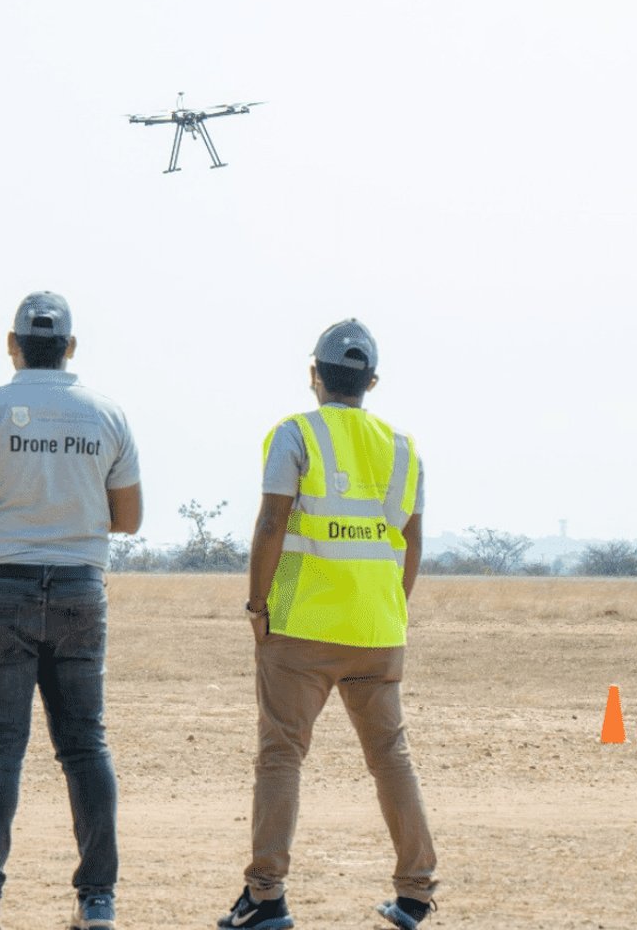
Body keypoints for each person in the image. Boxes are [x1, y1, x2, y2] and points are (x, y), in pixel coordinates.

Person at [0, 292, 141, 930]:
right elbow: (128, 519)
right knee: (85, 746)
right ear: (70, 346)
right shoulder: (107, 415)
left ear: (13, 344)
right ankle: (96, 901)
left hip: (0, 590)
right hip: (80, 589)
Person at [217, 319, 439, 930]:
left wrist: (257, 606)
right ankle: (416, 892)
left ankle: (266, 897)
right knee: (391, 757)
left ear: (314, 375)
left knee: (281, 757)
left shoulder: (294, 434)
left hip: (301, 628)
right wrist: (393, 607)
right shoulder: (403, 447)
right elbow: (412, 542)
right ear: (371, 381)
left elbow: (271, 525)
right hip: (378, 628)